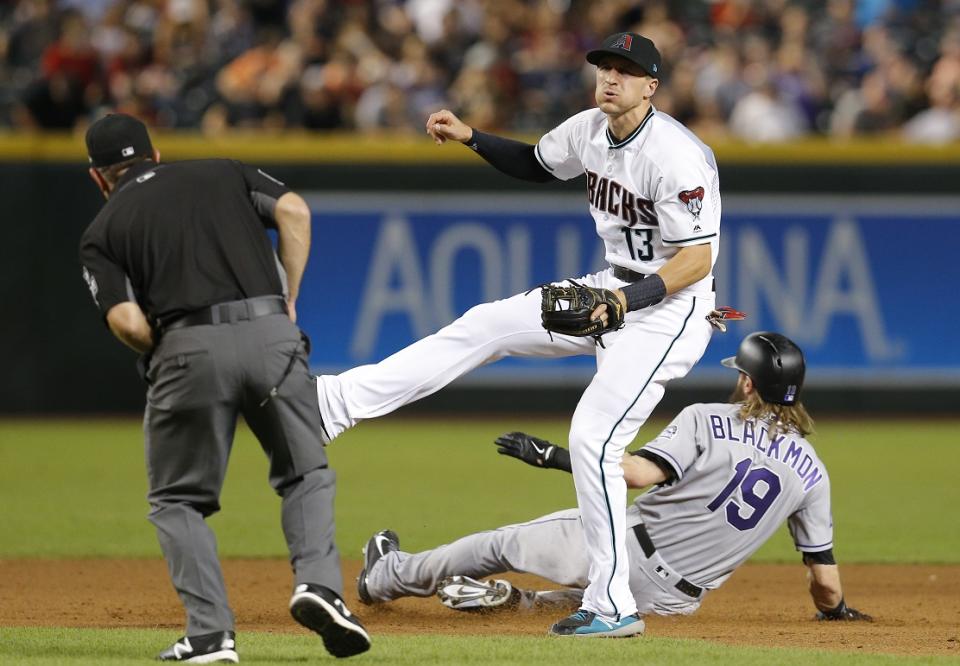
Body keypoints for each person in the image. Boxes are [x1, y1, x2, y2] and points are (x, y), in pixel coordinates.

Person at [318, 31, 720, 636]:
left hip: (670, 309)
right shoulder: (589, 129)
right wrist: (471, 137)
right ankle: (336, 404)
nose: (610, 78)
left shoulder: (675, 155)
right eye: (604, 67)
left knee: (593, 437)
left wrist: (625, 300)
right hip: (609, 285)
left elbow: (697, 259)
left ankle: (612, 607)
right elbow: (536, 164)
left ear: (651, 86)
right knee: (486, 324)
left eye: (626, 71)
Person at [78, 113, 370, 662]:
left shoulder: (102, 229)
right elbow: (294, 209)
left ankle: (211, 634)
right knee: (305, 472)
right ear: (156, 154)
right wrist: (288, 300)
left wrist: (164, 351)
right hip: (270, 336)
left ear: (99, 178)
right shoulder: (221, 171)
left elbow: (127, 323)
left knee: (177, 499)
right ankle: (320, 586)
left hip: (185, 347)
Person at [355, 333, 872, 632]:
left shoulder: (707, 417)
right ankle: (516, 603)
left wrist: (554, 456)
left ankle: (386, 577)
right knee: (602, 604)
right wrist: (837, 613)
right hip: (675, 600)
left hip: (625, 548)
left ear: (747, 381)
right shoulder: (813, 474)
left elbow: (635, 473)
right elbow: (825, 585)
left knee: (500, 543)